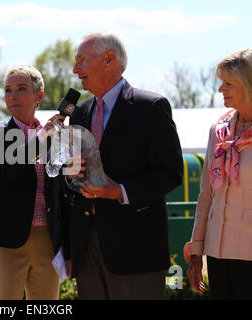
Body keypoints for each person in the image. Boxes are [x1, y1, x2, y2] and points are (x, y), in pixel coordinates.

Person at [63, 32, 183, 299]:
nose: (75, 69)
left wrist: (120, 191)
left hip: (136, 249)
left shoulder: (151, 107)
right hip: (87, 247)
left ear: (108, 59)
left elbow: (170, 173)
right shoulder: (80, 112)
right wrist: (70, 172)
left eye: (82, 60)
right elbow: (72, 176)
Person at [0, 64, 69, 300]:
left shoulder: (54, 135)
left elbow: (63, 189)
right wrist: (42, 139)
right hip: (9, 243)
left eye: (21, 89)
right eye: (8, 90)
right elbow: (10, 170)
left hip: (48, 243)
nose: (13, 96)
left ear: (39, 96)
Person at [185, 48, 252, 300]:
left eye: (228, 83)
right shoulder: (218, 129)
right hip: (217, 253)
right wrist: (196, 252)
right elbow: (206, 195)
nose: (220, 89)